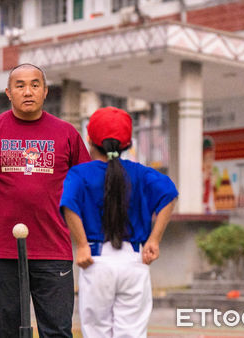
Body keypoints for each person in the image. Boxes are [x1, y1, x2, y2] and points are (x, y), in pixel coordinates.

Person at [0, 63, 90, 338]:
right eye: (20, 85)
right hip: (1, 252)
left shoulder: (67, 134)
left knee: (57, 331)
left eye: (35, 85)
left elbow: (86, 189)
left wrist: (87, 241)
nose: (28, 91)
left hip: (52, 250)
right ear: (8, 92)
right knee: (6, 332)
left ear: (45, 91)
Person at [60, 106, 178, 338]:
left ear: (89, 139)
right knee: (132, 333)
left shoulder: (79, 174)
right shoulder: (141, 173)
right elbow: (169, 194)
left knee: (97, 333)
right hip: (134, 261)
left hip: (96, 261)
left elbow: (69, 205)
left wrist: (82, 245)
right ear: (128, 144)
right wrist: (154, 240)